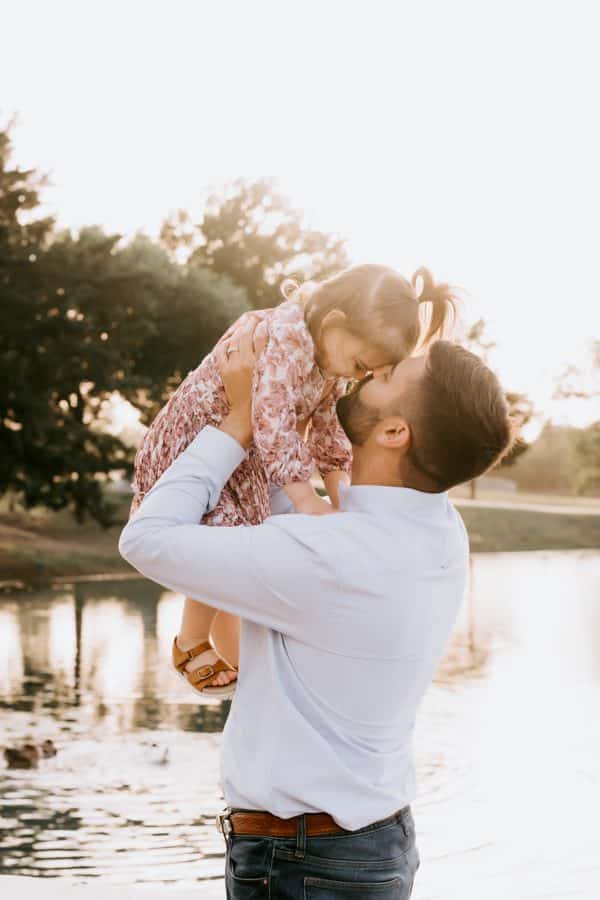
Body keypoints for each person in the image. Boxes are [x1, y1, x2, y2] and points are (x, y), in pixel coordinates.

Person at [119, 319, 515, 899]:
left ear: (395, 431)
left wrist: (236, 419)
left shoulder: (334, 555)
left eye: (385, 375)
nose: (369, 372)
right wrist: (281, 403)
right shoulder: (436, 529)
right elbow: (288, 511)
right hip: (369, 844)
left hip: (304, 862)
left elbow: (146, 538)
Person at [129, 264, 456, 698]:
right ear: (336, 321)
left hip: (242, 460)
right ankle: (189, 641)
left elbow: (325, 424)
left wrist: (340, 491)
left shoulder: (329, 357)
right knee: (222, 538)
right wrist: (305, 498)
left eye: (365, 374)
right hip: (200, 443)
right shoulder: (286, 336)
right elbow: (272, 419)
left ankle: (243, 671)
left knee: (241, 551)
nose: (356, 376)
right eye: (359, 364)